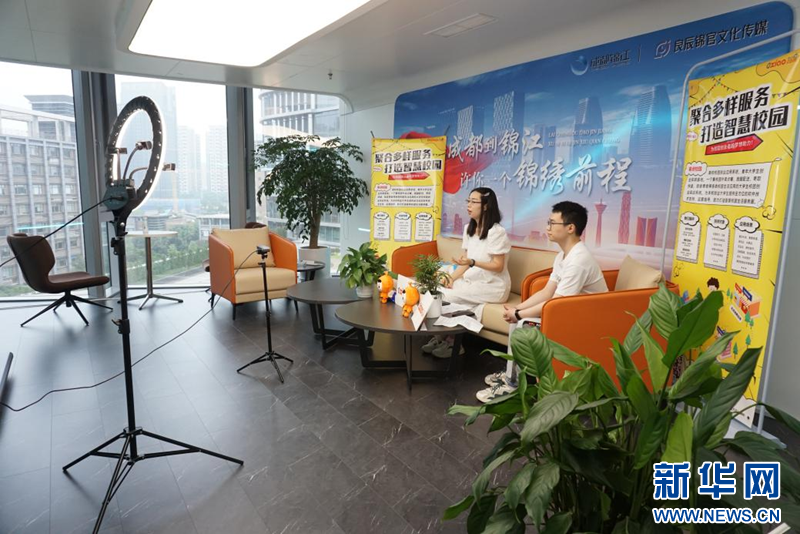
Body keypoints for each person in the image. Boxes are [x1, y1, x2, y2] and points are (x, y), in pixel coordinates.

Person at [475, 201, 608, 403]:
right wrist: (517, 308)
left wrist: (519, 315)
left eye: (552, 223)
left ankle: (511, 385)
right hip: (570, 312)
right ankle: (511, 376)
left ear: (570, 228)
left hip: (586, 321)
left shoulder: (579, 260)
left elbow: (556, 303)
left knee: (523, 325)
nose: (547, 227)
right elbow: (547, 292)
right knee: (519, 320)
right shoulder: (563, 255)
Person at [422, 187, 512, 358]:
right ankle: (442, 338)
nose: (468, 205)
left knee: (446, 297)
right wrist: (450, 278)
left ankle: (453, 344)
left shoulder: (496, 232)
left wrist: (473, 262)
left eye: (473, 202)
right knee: (435, 291)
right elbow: (466, 261)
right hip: (473, 280)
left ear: (486, 206)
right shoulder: (468, 229)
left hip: (493, 286)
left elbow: (498, 266)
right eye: (468, 201)